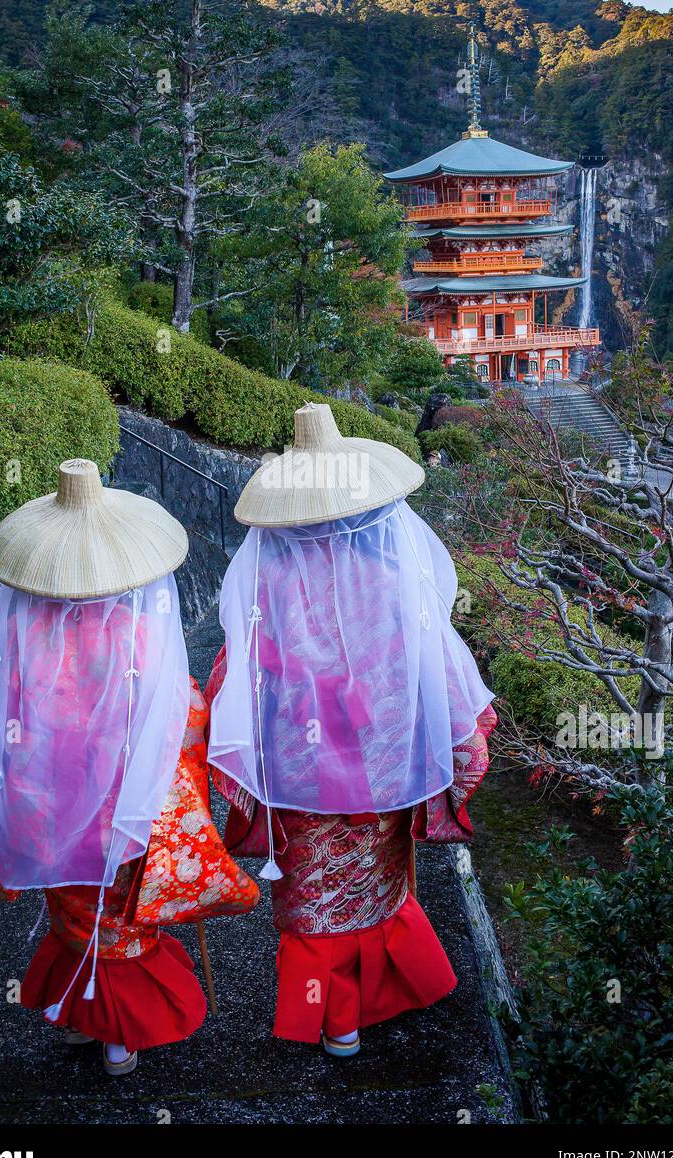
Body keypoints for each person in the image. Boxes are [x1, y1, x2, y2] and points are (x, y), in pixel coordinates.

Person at [0, 459, 258, 1076]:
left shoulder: (21, 637)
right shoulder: (139, 634)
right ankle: (117, 1036)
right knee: (118, 918)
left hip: (49, 801)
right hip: (124, 807)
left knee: (73, 911)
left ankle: (78, 1014)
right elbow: (182, 715)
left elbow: (6, 717)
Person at [206, 404, 496, 1057]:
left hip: (297, 764)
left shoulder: (267, 574)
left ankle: (335, 1019)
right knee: (374, 883)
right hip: (382, 758)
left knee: (313, 895)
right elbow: (432, 662)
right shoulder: (392, 572)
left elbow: (236, 673)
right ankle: (370, 1001)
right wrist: (458, 740)